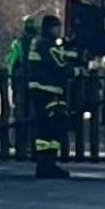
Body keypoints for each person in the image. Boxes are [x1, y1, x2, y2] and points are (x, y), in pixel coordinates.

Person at [27, 15, 79, 179]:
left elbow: (59, 56)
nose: (59, 30)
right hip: (49, 91)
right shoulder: (47, 45)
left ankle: (45, 164)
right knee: (54, 126)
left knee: (45, 129)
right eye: (56, 27)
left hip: (41, 90)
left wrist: (70, 49)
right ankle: (48, 164)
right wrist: (76, 71)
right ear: (49, 28)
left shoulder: (40, 43)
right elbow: (59, 65)